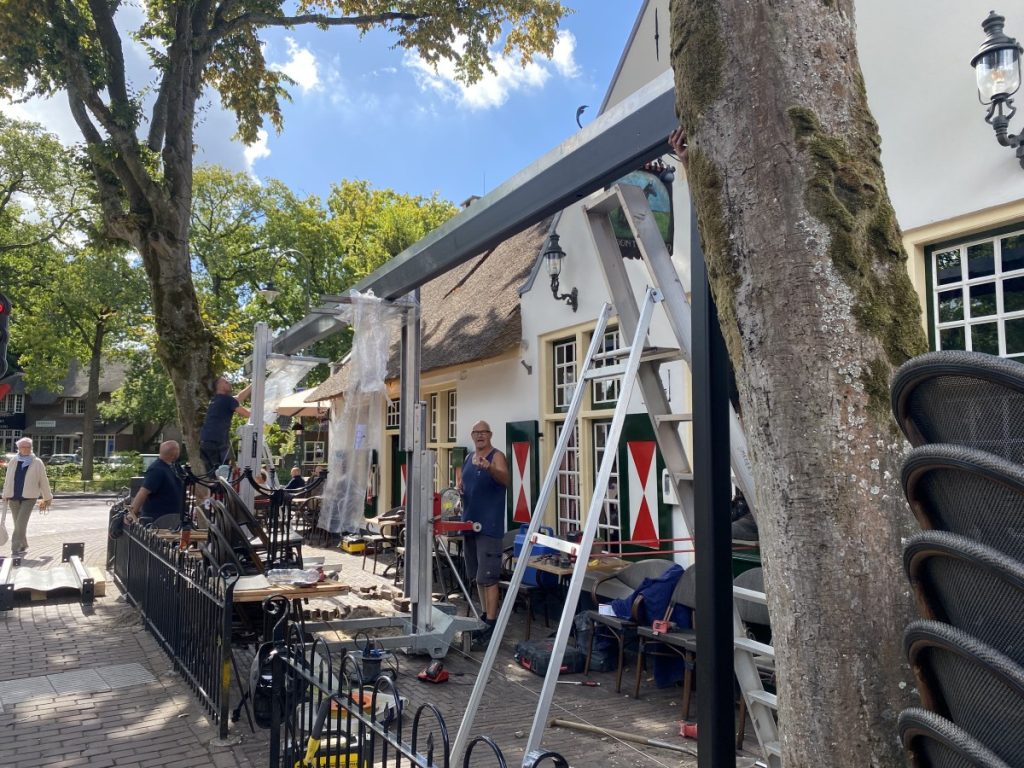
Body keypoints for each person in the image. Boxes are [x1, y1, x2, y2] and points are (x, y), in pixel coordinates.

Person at [459, 420, 510, 649]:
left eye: (484, 432)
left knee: (489, 577)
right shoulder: (469, 457)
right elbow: (466, 484)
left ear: (490, 434)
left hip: (488, 526)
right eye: (476, 432)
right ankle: (483, 615)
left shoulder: (496, 456)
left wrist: (490, 468)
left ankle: (491, 622)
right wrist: (460, 489)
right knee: (477, 575)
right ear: (472, 436)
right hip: (469, 524)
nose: (480, 436)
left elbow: (506, 479)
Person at [1, 437, 53, 559]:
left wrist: (47, 497)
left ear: (31, 448)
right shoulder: (14, 460)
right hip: (13, 496)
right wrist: (5, 494)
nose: (25, 449)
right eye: (23, 447)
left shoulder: (37, 462)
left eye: (28, 447)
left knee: (21, 523)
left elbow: (43, 480)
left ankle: (15, 548)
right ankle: (23, 544)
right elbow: (8, 479)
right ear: (18, 448)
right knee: (18, 523)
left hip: (29, 497)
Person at [199, 377, 251, 473]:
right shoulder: (227, 400)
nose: (229, 383)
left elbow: (239, 397)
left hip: (205, 442)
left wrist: (253, 385)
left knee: (213, 475)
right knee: (222, 474)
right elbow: (248, 414)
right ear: (219, 386)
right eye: (226, 382)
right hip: (217, 443)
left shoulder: (216, 399)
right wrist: (267, 411)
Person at [129, 441, 184, 526]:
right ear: (174, 454)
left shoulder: (175, 467)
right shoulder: (157, 469)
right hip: (158, 519)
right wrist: (131, 515)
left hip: (173, 517)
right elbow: (143, 492)